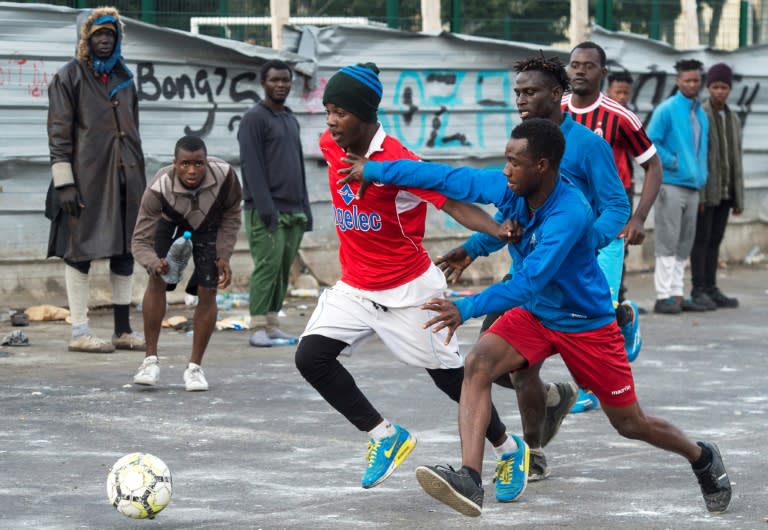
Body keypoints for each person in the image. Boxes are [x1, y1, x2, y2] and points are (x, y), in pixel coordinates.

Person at [341, 118, 732, 518]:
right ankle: (470, 479)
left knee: (631, 423)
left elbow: (529, 280)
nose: (506, 170)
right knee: (477, 363)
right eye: (506, 160)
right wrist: (374, 170)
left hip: (586, 323)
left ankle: (701, 456)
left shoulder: (570, 214)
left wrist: (467, 307)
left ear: (542, 166)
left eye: (515, 162)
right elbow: (445, 177)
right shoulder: (511, 187)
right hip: (537, 315)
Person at [294, 63, 528, 499]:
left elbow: (453, 203)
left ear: (365, 115)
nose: (329, 122)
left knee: (450, 379)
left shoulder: (399, 163)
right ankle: (385, 436)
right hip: (356, 288)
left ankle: (510, 447)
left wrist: (497, 231)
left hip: (409, 290)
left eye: (339, 112)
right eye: (327, 111)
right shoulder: (331, 144)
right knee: (310, 358)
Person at [432, 54, 629, 481]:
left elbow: (616, 206)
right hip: (526, 276)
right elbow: (515, 220)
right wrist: (472, 247)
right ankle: (553, 400)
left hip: (567, 281)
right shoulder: (522, 144)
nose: (519, 99)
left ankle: (532, 451)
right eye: (517, 92)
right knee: (501, 368)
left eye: (529, 92)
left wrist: (586, 241)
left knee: (521, 373)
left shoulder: (590, 146)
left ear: (556, 95)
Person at [45, 7, 146, 353]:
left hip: (126, 178)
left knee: (125, 251)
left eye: (111, 35)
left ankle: (122, 330)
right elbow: (59, 133)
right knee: (80, 252)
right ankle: (80, 332)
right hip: (85, 179)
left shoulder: (125, 77)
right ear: (85, 39)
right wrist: (65, 183)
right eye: (98, 35)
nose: (105, 40)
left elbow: (133, 128)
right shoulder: (68, 77)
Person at [564, 41, 663, 364]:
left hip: (608, 221)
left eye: (588, 65)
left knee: (597, 303)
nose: (580, 70)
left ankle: (588, 385)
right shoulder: (555, 108)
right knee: (569, 302)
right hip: (565, 222)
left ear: (602, 73)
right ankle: (625, 319)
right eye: (575, 64)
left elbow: (653, 164)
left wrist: (638, 218)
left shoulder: (620, 117)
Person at [131, 135, 242, 391]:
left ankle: (195, 368)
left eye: (198, 164)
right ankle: (150, 361)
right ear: (174, 164)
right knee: (157, 280)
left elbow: (232, 212)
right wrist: (152, 262)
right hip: (171, 223)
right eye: (185, 164)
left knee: (208, 287)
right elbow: (139, 240)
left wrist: (223, 253)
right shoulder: (160, 186)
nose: (192, 171)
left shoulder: (225, 176)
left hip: (209, 225)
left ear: (206, 162)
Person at [238, 60, 313, 347]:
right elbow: (251, 167)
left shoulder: (289, 118)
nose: (281, 85)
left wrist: (305, 209)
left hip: (293, 210)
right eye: (274, 80)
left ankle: (271, 323)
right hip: (266, 211)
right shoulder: (254, 119)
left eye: (285, 80)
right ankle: (256, 324)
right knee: (267, 267)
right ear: (263, 83)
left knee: (283, 269)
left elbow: (298, 167)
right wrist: (266, 210)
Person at [647, 59, 710, 314]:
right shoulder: (667, 109)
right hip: (671, 184)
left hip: (693, 187)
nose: (692, 84)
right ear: (678, 81)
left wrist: (700, 176)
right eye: (687, 80)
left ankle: (677, 293)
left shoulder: (701, 113)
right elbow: (650, 142)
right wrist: (673, 162)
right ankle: (663, 296)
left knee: (685, 242)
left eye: (696, 80)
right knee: (667, 241)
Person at [690, 63, 743, 309]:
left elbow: (736, 158)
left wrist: (738, 197)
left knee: (715, 240)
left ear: (730, 89)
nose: (719, 92)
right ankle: (699, 288)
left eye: (724, 87)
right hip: (706, 191)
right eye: (715, 87)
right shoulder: (702, 114)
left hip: (726, 191)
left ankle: (712, 287)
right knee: (702, 240)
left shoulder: (732, 117)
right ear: (708, 87)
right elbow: (698, 155)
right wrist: (699, 195)